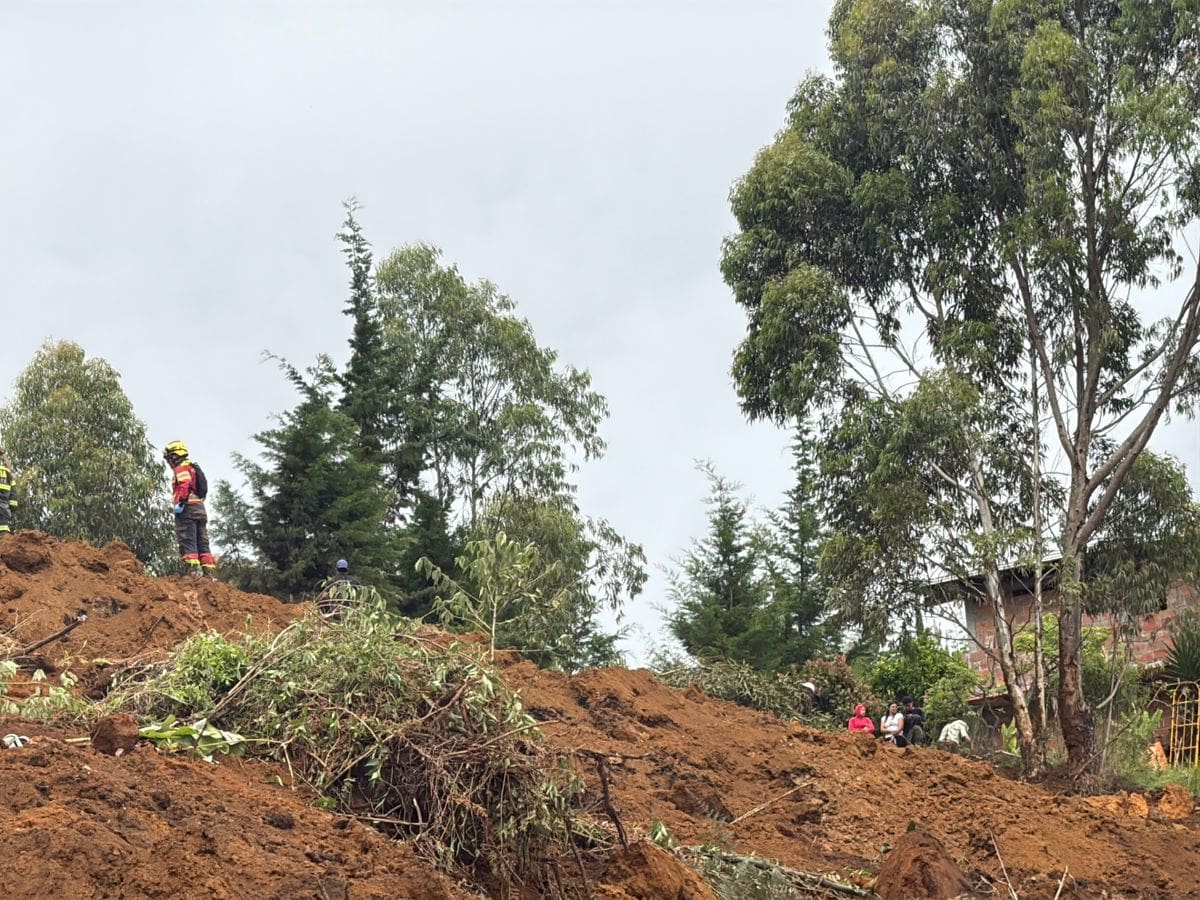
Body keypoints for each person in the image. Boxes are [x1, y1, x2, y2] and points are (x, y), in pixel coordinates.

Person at [163, 440, 216, 578]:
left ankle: (193, 574)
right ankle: (208, 575)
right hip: (200, 509)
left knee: (187, 540)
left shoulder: (181, 468)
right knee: (202, 543)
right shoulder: (192, 467)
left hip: (188, 509)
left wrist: (181, 502)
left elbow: (184, 484)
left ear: (175, 456)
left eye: (169, 458)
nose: (169, 462)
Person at [0, 448, 16, 536]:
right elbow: (13, 500)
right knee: (4, 539)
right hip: (3, 515)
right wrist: (13, 512)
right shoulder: (8, 476)